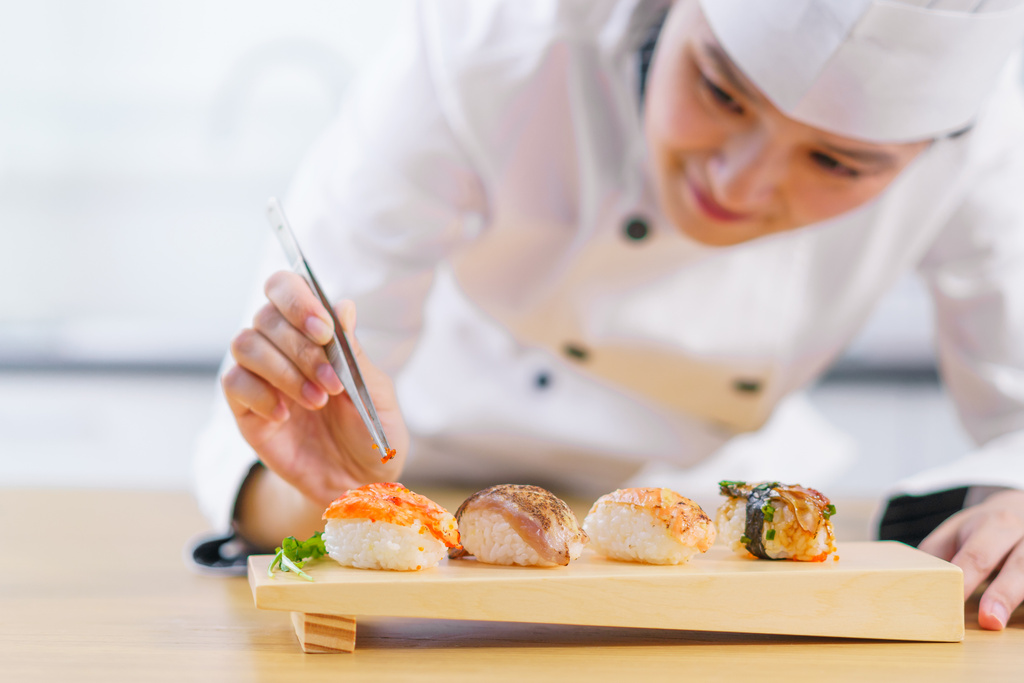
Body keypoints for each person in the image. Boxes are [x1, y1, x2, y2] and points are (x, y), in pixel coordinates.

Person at [193, 0, 1024, 630]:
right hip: (423, 479)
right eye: (719, 90)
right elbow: (292, 411)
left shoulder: (987, 150)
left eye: (838, 161)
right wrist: (335, 492)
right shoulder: (497, 38)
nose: (736, 184)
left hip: (705, 520)